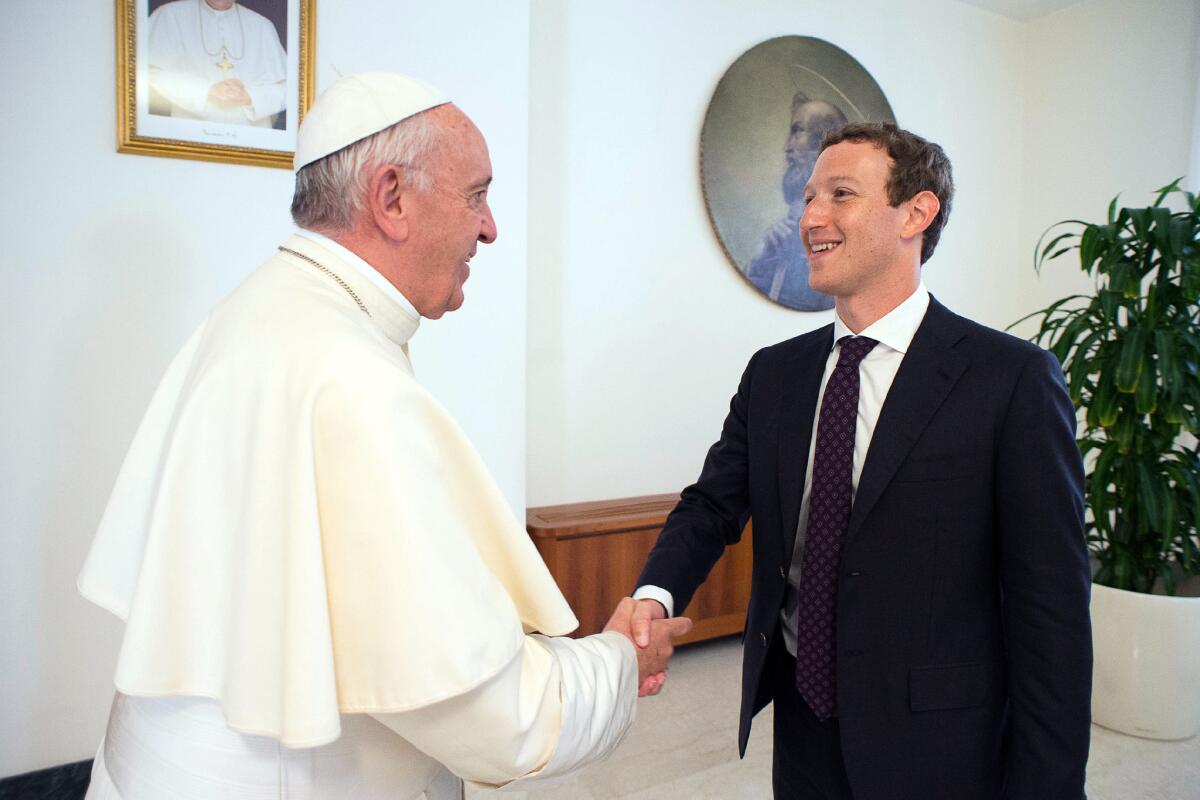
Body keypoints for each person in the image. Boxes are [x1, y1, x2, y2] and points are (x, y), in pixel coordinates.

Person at [78, 72, 691, 800]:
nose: (490, 227)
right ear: (392, 197)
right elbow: (504, 718)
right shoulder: (347, 380)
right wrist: (619, 656)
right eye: (477, 196)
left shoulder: (257, 309)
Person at [630, 123, 1092, 798]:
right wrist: (653, 593)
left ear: (916, 212)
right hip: (802, 721)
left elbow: (1049, 611)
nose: (809, 216)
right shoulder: (774, 375)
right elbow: (712, 504)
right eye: (809, 196)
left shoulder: (1012, 381)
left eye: (840, 194)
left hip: (939, 743)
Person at [744, 93, 846, 312]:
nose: (787, 148)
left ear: (822, 141)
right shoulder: (781, 232)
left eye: (798, 131)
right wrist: (762, 259)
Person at [147, 0, 287, 127]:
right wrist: (206, 92)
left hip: (251, 141)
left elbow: (287, 89)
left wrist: (249, 96)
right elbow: (150, 74)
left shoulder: (262, 26)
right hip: (190, 134)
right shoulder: (170, 16)